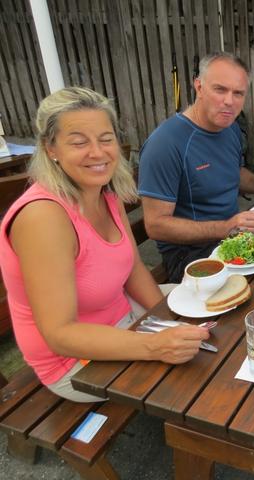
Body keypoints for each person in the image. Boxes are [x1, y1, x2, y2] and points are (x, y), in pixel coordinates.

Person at [0, 87, 209, 402]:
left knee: (215, 307)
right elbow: (60, 335)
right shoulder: (43, 217)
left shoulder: (105, 193)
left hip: (124, 315)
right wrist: (156, 345)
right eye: (79, 142)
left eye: (105, 139)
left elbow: (134, 269)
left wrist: (166, 317)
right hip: (74, 361)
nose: (97, 153)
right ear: (50, 148)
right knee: (201, 381)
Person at [138, 52, 254, 283]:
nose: (229, 101)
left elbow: (232, 172)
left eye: (238, 93)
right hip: (190, 256)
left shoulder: (230, 128)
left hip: (233, 239)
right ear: (199, 87)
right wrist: (226, 228)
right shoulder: (165, 144)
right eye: (220, 89)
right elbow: (156, 225)